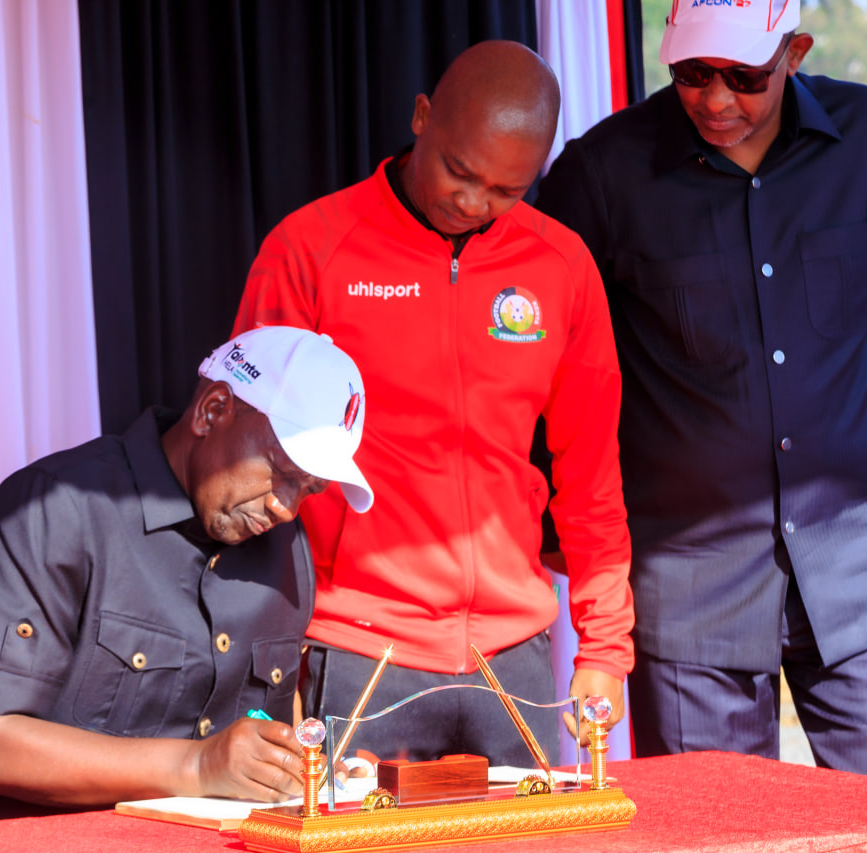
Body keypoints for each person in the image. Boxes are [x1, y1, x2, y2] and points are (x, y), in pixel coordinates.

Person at [232, 41, 633, 768]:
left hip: (513, 655)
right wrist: (268, 656)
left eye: (508, 191)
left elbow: (593, 476)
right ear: (422, 117)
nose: (474, 203)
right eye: (459, 171)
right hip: (357, 647)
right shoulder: (312, 249)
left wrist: (604, 644)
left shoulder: (561, 265)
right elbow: (245, 465)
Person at [534, 3, 867, 773]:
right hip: (691, 591)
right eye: (692, 75)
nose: (717, 100)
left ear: (796, 52)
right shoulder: (603, 171)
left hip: (853, 573)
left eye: (745, 78)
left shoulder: (860, 147)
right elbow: (545, 358)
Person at [0, 325, 374, 825]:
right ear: (213, 411)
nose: (285, 508)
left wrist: (309, 769)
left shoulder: (285, 548)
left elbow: (276, 712)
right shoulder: (57, 508)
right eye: (281, 472)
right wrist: (198, 764)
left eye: (308, 489)